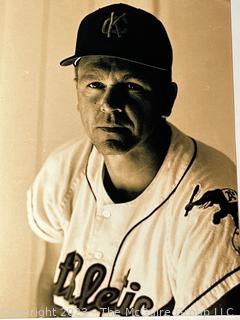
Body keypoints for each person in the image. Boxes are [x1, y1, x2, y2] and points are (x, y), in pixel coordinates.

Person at [27, 3, 240, 317]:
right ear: (77, 91)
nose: (109, 105)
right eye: (94, 84)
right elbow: (50, 284)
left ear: (167, 98)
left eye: (131, 86)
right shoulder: (63, 169)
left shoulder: (208, 203)